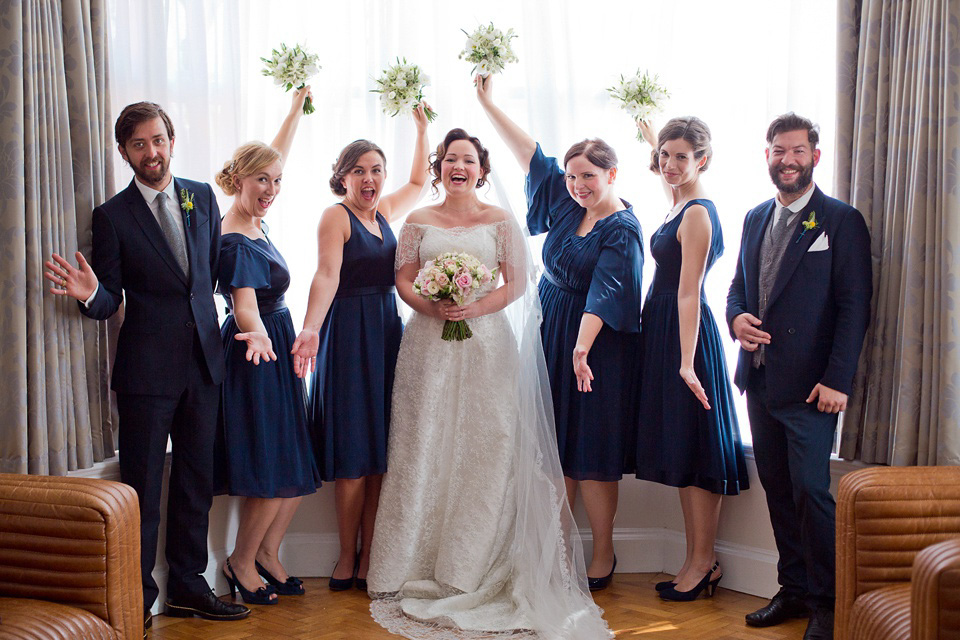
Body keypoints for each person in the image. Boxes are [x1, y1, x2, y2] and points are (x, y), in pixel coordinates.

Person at [367, 128, 611, 639]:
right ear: (440, 168)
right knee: (423, 442)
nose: (460, 166)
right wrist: (431, 304)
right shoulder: (417, 220)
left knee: (486, 443)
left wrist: (474, 306)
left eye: (469, 159)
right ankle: (407, 563)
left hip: (487, 343)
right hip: (427, 344)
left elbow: (518, 284)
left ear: (482, 168)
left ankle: (471, 563)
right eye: (451, 159)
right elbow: (404, 278)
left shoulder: (501, 220)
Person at [44, 102, 250, 627]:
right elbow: (110, 298)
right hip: (145, 374)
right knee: (140, 490)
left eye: (157, 140)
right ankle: (134, 599)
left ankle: (188, 585)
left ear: (171, 141)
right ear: (124, 153)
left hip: (205, 364)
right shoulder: (111, 215)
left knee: (195, 483)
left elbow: (206, 280)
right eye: (139, 144)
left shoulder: (201, 196)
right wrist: (91, 294)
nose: (151, 152)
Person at [476, 74, 643, 590]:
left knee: (592, 451)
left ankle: (604, 553)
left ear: (612, 174)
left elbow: (608, 292)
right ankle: (555, 549)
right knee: (551, 446)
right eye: (572, 176)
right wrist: (487, 102)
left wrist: (580, 347)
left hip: (596, 347)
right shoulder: (570, 204)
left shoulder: (623, 227)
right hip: (553, 334)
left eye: (589, 175)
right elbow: (530, 153)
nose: (578, 184)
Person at [726, 113, 872, 640]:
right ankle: (791, 589)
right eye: (777, 150)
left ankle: (829, 603)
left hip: (813, 389)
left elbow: (854, 307)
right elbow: (737, 288)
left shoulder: (840, 220)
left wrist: (839, 380)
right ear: (766, 155)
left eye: (797, 150)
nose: (787, 160)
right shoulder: (752, 217)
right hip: (759, 384)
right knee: (779, 491)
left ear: (815, 155)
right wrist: (736, 318)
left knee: (812, 492)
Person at [289, 104, 430, 591]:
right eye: (358, 171)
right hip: (347, 338)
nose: (368, 179)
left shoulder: (385, 213)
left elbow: (417, 183)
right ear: (342, 178)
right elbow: (326, 275)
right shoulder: (337, 216)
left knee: (380, 453)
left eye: (375, 171)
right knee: (352, 455)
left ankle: (372, 552)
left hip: (387, 335)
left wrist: (422, 128)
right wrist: (310, 330)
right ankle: (345, 553)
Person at [634, 117, 749, 601]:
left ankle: (704, 563)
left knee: (698, 450)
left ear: (703, 159)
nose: (670, 164)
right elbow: (667, 173)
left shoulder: (697, 213)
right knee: (683, 446)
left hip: (686, 337)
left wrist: (685, 363)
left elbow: (688, 294)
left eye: (682, 156)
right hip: (665, 332)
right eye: (664, 155)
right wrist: (650, 136)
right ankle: (695, 558)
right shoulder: (678, 204)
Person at [213, 87, 321, 605]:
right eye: (263, 180)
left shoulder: (256, 216)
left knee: (294, 463)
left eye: (278, 181)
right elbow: (245, 303)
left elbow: (274, 156)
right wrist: (255, 332)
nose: (272, 188)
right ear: (239, 180)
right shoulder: (234, 235)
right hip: (256, 351)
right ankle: (240, 559)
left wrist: (295, 110)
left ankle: (268, 553)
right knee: (271, 467)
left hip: (276, 343)